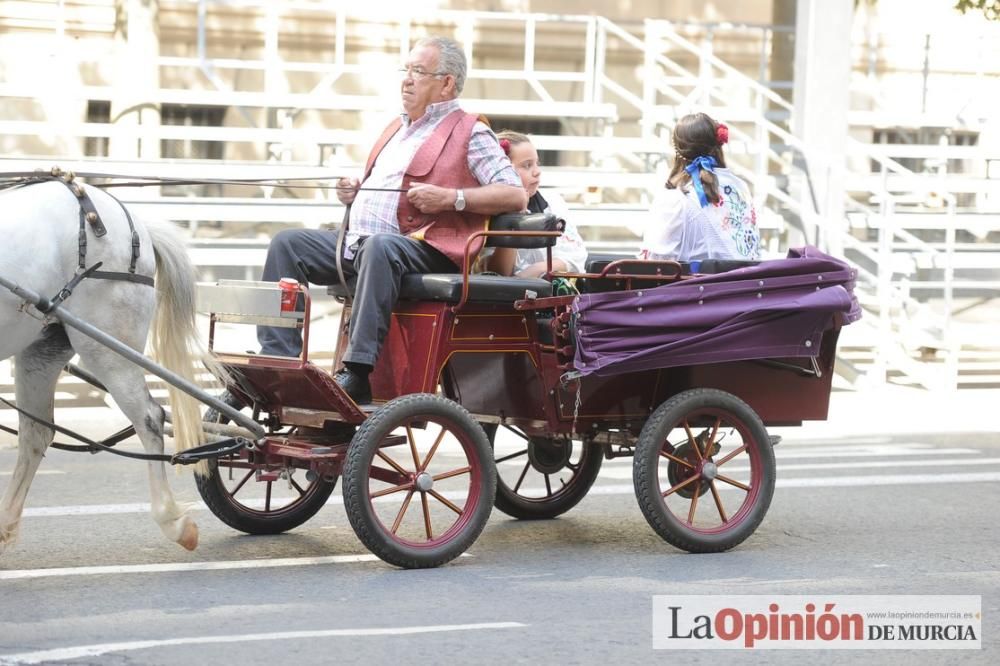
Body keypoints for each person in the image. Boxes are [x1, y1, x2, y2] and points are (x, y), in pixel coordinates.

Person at [256, 36, 527, 403]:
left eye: (418, 71)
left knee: (379, 248)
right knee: (287, 243)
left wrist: (452, 198)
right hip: (364, 245)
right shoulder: (396, 128)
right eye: (407, 70)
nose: (407, 79)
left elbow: (514, 194)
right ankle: (280, 360)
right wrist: (356, 190)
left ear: (446, 82)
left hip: (425, 246)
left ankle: (357, 371)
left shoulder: (471, 131)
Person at [639, 112, 760, 263]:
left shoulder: (675, 199)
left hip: (698, 285)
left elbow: (656, 263)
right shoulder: (741, 188)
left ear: (677, 150)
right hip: (742, 284)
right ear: (718, 144)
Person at [483, 130, 587, 278]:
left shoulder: (553, 202)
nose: (537, 171)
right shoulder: (486, 213)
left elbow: (575, 257)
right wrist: (514, 217)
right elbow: (498, 274)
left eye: (536, 163)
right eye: (527, 165)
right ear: (503, 170)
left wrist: (535, 271)